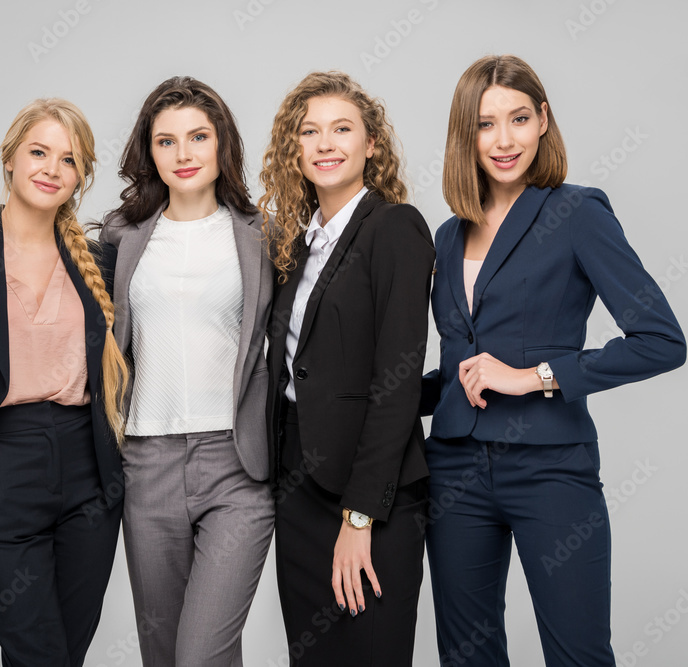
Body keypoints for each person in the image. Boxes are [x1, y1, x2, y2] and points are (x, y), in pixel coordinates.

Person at [421, 54, 686, 666]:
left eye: (519, 118)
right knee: (467, 657)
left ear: (544, 119)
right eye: (486, 124)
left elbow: (662, 339)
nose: (505, 139)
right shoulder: (448, 234)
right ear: (467, 134)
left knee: (578, 657)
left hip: (550, 467)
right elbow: (462, 368)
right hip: (456, 469)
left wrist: (533, 377)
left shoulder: (578, 212)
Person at [0, 98, 128, 667]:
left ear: (81, 177)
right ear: (10, 159)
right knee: (37, 654)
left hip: (90, 471)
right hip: (1, 464)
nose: (51, 168)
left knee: (65, 654)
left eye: (69, 159)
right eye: (39, 151)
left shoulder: (98, 260)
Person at [97, 76, 275, 667]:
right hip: (146, 466)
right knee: (162, 654)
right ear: (149, 152)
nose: (184, 154)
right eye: (166, 141)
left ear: (222, 143)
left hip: (237, 465)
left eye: (198, 137)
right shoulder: (122, 239)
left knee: (202, 655)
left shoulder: (264, 237)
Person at [259, 71, 434, 666]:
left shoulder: (395, 228)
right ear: (295, 149)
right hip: (298, 488)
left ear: (371, 146)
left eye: (342, 129)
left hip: (368, 497)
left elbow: (399, 379)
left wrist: (360, 515)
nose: (325, 143)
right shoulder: (297, 244)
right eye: (309, 132)